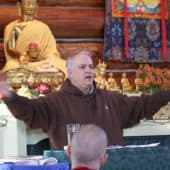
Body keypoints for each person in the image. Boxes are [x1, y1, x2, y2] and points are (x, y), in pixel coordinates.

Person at [0, 50, 170, 149]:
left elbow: (142, 105)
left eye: (90, 67)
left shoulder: (111, 99)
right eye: (82, 67)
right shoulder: (54, 102)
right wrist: (9, 96)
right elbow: (29, 110)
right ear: (70, 72)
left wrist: (166, 94)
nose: (88, 70)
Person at [1, 0, 66, 74]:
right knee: (11, 65)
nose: (31, 7)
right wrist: (22, 56)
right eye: (27, 4)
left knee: (60, 63)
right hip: (21, 62)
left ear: (37, 6)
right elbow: (11, 50)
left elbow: (51, 51)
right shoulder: (16, 27)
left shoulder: (43, 27)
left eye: (33, 4)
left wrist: (42, 58)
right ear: (19, 5)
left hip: (41, 62)